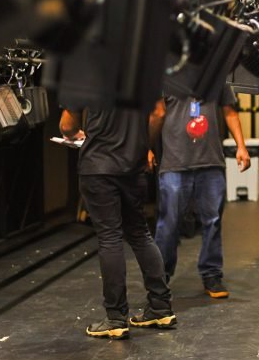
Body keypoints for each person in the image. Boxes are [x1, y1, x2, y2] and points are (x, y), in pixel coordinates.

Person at [60, 106, 176, 339]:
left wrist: (75, 135)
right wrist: (143, 147)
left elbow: (67, 125)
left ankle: (115, 318)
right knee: (140, 233)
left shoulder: (86, 71)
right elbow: (159, 113)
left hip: (98, 167)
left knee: (110, 237)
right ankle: (160, 306)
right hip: (132, 166)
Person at [148, 86, 250, 298]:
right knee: (168, 223)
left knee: (212, 221)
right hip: (175, 163)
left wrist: (241, 145)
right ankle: (160, 277)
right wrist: (146, 147)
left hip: (211, 161)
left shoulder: (217, 75)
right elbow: (155, 113)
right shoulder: (166, 75)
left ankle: (211, 275)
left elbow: (229, 111)